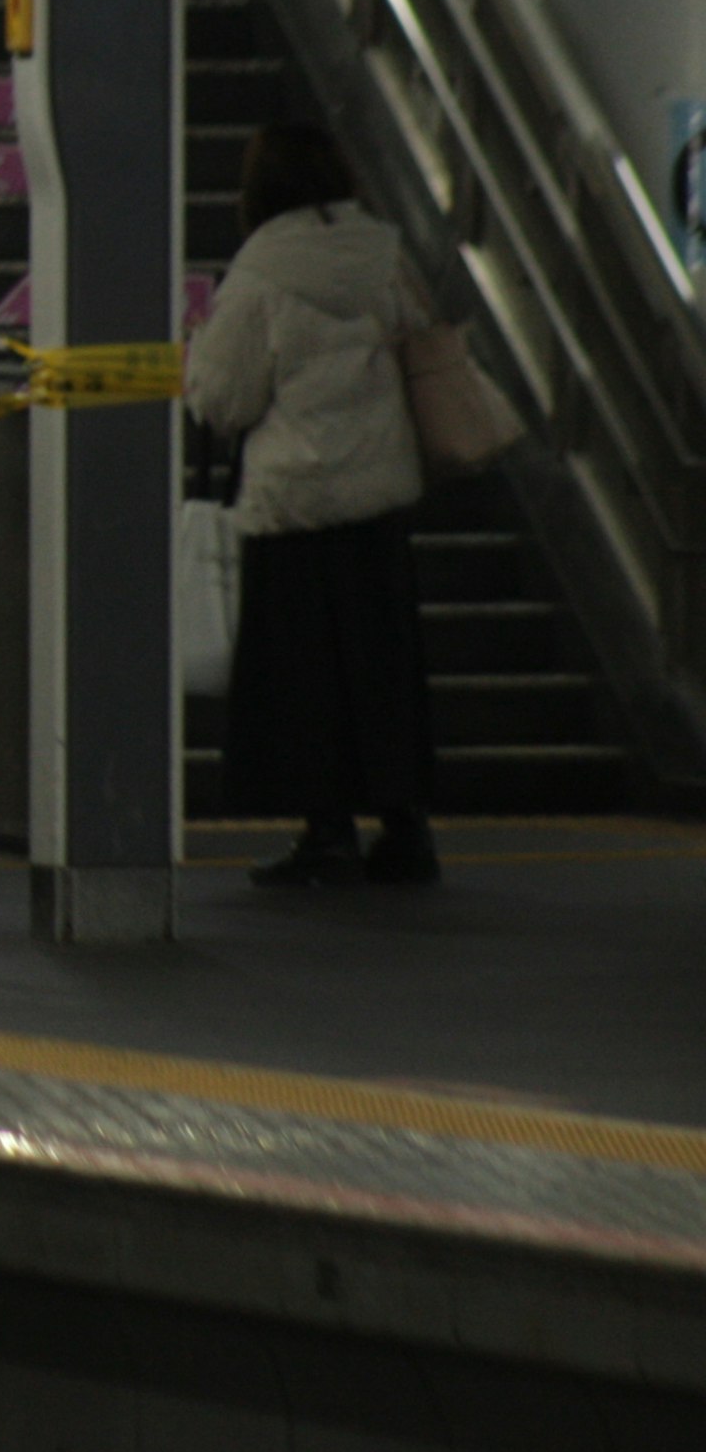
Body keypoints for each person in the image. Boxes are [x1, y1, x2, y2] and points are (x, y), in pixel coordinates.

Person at [182, 123, 443, 888]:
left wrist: (195, 355)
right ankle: (406, 828)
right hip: (377, 497)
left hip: (294, 503)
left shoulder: (261, 273)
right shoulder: (381, 255)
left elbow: (223, 400)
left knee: (302, 681)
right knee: (381, 673)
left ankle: (325, 831)